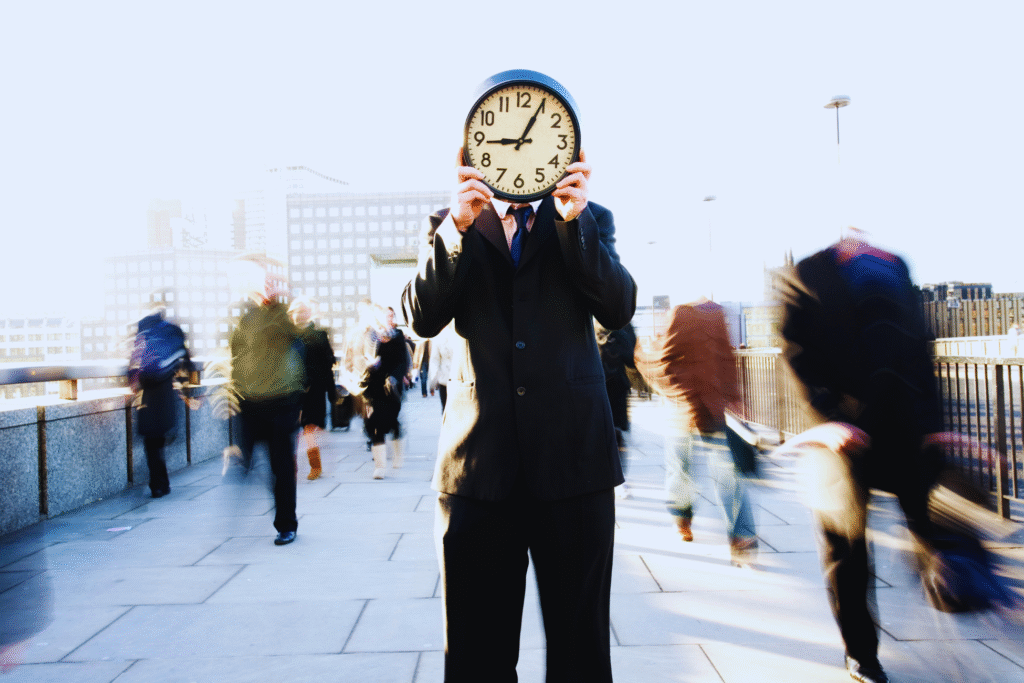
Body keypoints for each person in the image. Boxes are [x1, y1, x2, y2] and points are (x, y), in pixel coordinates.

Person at [401, 115, 637, 679]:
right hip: (478, 470)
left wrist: (575, 222)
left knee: (581, 656)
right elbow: (421, 317)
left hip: (573, 467)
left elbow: (617, 307)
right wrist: (456, 228)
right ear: (471, 156)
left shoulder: (588, 219)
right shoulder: (448, 224)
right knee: (475, 658)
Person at [776, 230, 947, 683]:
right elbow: (795, 353)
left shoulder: (895, 266)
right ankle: (862, 655)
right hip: (843, 434)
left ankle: (951, 589)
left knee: (932, 530)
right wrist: (827, 417)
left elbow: (920, 348)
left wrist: (935, 424)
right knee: (846, 550)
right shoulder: (807, 272)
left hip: (904, 426)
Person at [634, 298, 758, 564]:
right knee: (694, 468)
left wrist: (734, 397)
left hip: (703, 406)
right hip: (690, 406)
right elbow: (670, 360)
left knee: (702, 468)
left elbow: (722, 359)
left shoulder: (704, 313)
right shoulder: (689, 314)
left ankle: (735, 534)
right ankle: (689, 518)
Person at [230, 257, 306, 546]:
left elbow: (292, 335)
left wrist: (274, 303)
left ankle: (286, 525)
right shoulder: (245, 319)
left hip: (281, 403)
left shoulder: (282, 316)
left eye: (269, 283)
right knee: (245, 465)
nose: (265, 287)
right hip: (250, 404)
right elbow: (236, 356)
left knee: (281, 469)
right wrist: (237, 391)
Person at [129, 301, 194, 499]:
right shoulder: (170, 332)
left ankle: (157, 485)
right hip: (165, 392)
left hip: (146, 394)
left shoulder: (143, 332)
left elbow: (133, 363)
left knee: (151, 442)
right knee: (160, 439)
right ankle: (161, 483)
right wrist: (187, 387)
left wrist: (132, 383)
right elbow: (187, 362)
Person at [289, 297, 338, 481]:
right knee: (289, 430)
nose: (301, 315)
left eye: (304, 312)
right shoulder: (285, 336)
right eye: (297, 312)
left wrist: (331, 391)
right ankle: (290, 468)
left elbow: (327, 366)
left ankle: (315, 466)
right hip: (290, 391)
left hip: (313, 391)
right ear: (291, 314)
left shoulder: (319, 335)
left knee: (309, 429)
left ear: (308, 314)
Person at [361, 304, 410, 479]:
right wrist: (371, 362)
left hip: (392, 387)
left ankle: (398, 454)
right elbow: (365, 356)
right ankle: (380, 466)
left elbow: (403, 362)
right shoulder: (372, 335)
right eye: (386, 315)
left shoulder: (398, 336)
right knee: (375, 424)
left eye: (392, 315)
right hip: (374, 387)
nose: (390, 318)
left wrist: (396, 377)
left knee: (392, 422)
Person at [596, 321, 637, 498]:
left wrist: (620, 339)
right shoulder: (588, 323)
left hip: (616, 389)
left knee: (617, 435)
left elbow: (632, 359)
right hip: (593, 388)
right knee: (596, 435)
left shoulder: (624, 325)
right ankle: (603, 478)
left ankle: (619, 479)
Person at [427, 322, 456, 413]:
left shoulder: (440, 337)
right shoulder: (465, 333)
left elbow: (434, 361)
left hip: (446, 380)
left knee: (446, 410)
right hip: (461, 380)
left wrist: (432, 383)